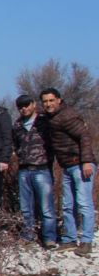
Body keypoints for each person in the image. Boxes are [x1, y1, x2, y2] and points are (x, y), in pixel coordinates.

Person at [41, 88, 95, 255]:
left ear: (59, 100)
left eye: (51, 100)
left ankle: (86, 241)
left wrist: (86, 161)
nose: (48, 104)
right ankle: (70, 239)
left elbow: (84, 136)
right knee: (67, 205)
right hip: (67, 166)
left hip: (80, 165)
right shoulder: (52, 118)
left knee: (84, 204)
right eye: (45, 101)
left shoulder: (67, 116)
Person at [10, 96, 54, 247]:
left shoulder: (44, 121)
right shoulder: (17, 125)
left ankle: (49, 237)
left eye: (27, 105)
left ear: (33, 105)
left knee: (46, 207)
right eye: (20, 106)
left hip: (42, 169)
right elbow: (15, 145)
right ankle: (28, 235)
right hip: (24, 170)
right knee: (26, 207)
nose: (24, 108)